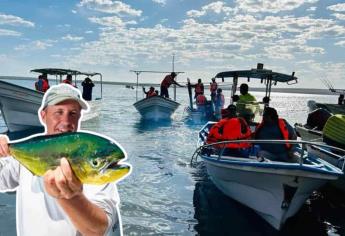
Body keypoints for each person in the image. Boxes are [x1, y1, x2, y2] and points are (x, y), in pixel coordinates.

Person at [0, 84, 122, 236]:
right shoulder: (24, 154)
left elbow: (98, 229)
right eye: (59, 112)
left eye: (73, 113)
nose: (66, 121)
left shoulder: (95, 168)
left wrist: (72, 196)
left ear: (79, 117)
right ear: (43, 116)